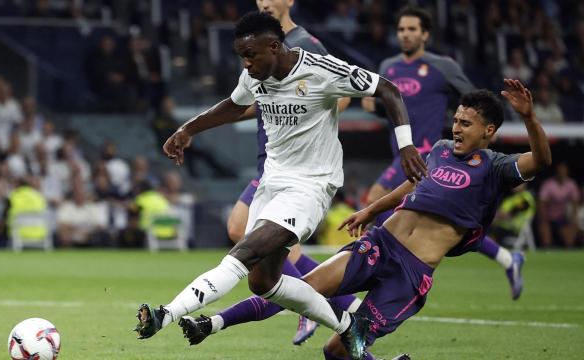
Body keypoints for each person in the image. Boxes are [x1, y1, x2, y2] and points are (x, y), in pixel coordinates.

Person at [179, 80, 551, 359]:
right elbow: (412, 181)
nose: (456, 128)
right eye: (455, 120)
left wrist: (530, 117)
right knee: (301, 289)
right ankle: (211, 323)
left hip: (409, 274)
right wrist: (373, 210)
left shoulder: (497, 167)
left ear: (488, 131)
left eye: (466, 124)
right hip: (379, 244)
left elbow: (541, 160)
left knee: (336, 352)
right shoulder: (438, 150)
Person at [134, 12, 426, 360]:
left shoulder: (322, 71)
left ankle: (165, 314)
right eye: (241, 56)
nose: (246, 63)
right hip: (271, 184)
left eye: (251, 55)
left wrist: (406, 144)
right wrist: (188, 130)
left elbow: (387, 89)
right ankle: (350, 325)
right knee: (263, 282)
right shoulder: (253, 75)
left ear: (274, 46)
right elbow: (233, 104)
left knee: (242, 254)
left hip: (310, 187)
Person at [363, 5, 525, 300]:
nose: (406, 34)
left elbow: (473, 101)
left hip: (428, 154)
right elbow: (384, 109)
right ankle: (506, 259)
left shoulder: (442, 65)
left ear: (425, 34)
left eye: (412, 29)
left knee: (376, 199)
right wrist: (372, 105)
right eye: (401, 29)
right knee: (438, 220)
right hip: (399, 153)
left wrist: (461, 123)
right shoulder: (388, 67)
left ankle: (377, 267)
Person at [225, 0, 356, 345]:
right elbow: (254, 100)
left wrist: (307, 118)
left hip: (294, 164)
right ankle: (345, 302)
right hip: (268, 158)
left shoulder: (307, 44)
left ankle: (308, 308)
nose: (265, 1)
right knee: (245, 231)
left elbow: (342, 95)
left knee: (254, 233)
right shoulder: (259, 43)